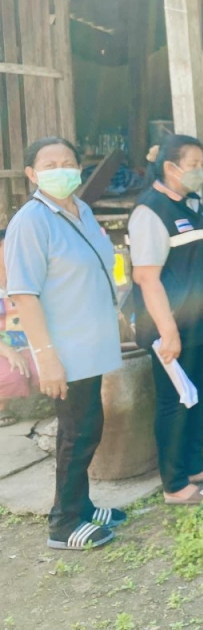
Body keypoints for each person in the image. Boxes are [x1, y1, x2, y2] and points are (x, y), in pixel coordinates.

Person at [5, 137, 125, 550]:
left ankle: (81, 506)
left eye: (68, 161)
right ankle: (64, 523)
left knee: (85, 427)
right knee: (78, 432)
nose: (61, 169)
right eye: (49, 164)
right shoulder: (31, 221)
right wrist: (47, 358)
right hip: (64, 349)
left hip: (89, 344)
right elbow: (24, 295)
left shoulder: (81, 210)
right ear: (32, 174)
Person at [130, 136, 203, 506]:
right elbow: (147, 278)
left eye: (202, 164)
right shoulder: (150, 211)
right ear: (170, 167)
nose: (200, 171)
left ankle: (194, 468)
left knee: (199, 397)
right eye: (193, 164)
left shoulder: (193, 204)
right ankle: (174, 484)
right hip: (172, 327)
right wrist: (168, 331)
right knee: (174, 403)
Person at [0, 230, 34, 428]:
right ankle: (1, 406)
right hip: (3, 348)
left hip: (29, 344)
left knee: (39, 371)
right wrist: (9, 352)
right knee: (10, 375)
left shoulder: (28, 279)